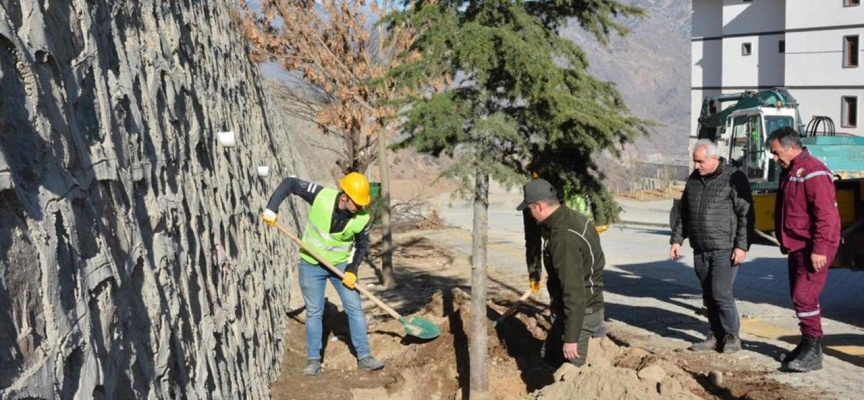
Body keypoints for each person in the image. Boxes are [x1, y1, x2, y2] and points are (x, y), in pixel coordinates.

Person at [261, 172, 385, 376]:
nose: (360, 207)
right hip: (311, 265)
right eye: (357, 202)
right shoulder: (321, 196)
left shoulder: (361, 218)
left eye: (363, 203)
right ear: (344, 196)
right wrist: (272, 208)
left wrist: (352, 271)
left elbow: (362, 246)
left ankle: (365, 357)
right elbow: (290, 183)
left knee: (354, 307)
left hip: (341, 268)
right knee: (314, 311)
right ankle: (313, 360)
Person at [767, 127, 840, 372]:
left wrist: (819, 248)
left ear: (793, 148)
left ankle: (813, 351)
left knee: (804, 297)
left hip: (813, 247)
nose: (775, 158)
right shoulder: (791, 171)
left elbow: (826, 216)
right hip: (797, 245)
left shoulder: (814, 172)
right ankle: (808, 344)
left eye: (777, 153)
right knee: (799, 298)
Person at [670, 140, 753, 354]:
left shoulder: (734, 178)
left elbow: (746, 214)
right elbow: (684, 213)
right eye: (695, 161)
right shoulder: (694, 180)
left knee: (720, 292)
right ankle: (715, 335)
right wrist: (676, 239)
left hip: (725, 247)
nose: (697, 165)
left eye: (701, 161)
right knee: (708, 294)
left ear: (714, 158)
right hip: (701, 247)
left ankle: (732, 336)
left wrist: (741, 246)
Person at [518, 179, 605, 367]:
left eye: (530, 209)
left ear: (539, 206)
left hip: (582, 313)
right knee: (549, 355)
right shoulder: (570, 218)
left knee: (570, 371)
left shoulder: (563, 237)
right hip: (577, 309)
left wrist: (571, 338)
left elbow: (574, 290)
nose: (530, 214)